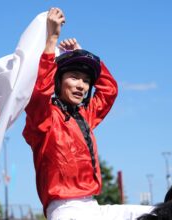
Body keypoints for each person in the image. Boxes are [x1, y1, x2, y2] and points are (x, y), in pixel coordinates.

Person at [23, 8, 151, 220]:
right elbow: (38, 93)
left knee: (160, 212)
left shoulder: (85, 115)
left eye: (86, 80)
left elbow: (109, 91)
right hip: (64, 210)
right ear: (58, 82)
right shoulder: (44, 118)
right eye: (74, 77)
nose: (81, 85)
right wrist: (52, 38)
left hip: (93, 206)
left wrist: (83, 52)